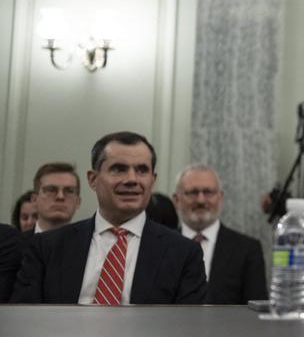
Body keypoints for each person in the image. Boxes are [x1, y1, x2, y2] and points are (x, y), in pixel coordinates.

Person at [11, 131, 207, 305]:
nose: (131, 179)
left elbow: (187, 331)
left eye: (142, 170)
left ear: (152, 180)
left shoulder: (184, 253)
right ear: (92, 179)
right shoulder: (47, 247)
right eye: (118, 169)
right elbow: (25, 321)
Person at [174, 164, 266, 304]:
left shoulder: (247, 250)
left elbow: (255, 310)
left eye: (208, 192)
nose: (200, 200)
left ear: (220, 197)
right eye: (192, 193)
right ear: (177, 200)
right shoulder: (160, 247)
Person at [30, 162, 82, 233]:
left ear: (78, 202)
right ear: (34, 200)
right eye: (51, 190)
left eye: (69, 191)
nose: (60, 197)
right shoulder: (18, 243)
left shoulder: (90, 243)